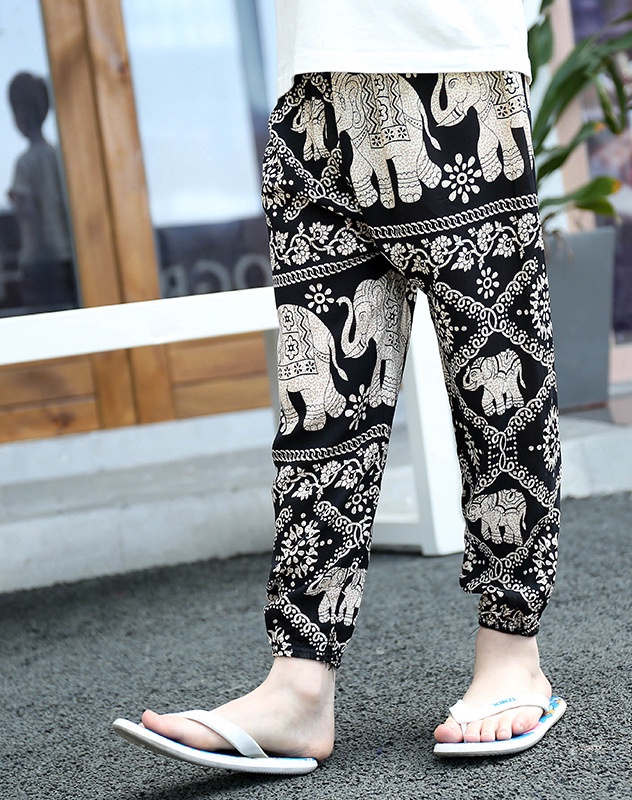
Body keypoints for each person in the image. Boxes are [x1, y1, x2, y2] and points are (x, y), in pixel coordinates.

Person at [113, 0, 565, 774]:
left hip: (455, 66)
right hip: (312, 91)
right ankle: (299, 685)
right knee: (318, 409)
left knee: (499, 391)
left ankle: (512, 656)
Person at [6, 72, 75, 312]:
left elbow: (28, 214)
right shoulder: (59, 157)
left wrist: (16, 200)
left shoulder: (25, 162)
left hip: (40, 262)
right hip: (67, 256)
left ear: (20, 117)